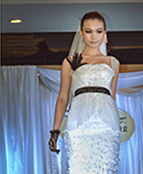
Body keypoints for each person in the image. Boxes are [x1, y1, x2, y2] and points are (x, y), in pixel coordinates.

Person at [49, 11, 121, 174]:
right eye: (88, 31)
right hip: (79, 122)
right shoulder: (70, 61)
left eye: (99, 31)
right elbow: (63, 97)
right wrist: (55, 130)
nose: (94, 36)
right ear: (81, 33)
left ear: (105, 33)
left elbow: (112, 96)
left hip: (107, 124)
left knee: (106, 167)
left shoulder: (114, 62)